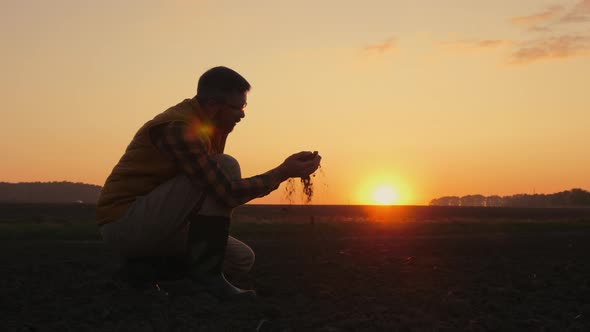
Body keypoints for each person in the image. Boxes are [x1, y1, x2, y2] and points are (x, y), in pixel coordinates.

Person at [97, 66, 321, 299]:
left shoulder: (211, 130)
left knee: (241, 259)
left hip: (160, 221)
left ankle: (140, 273)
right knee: (225, 166)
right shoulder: (179, 128)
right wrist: (282, 172)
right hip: (126, 222)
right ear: (214, 105)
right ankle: (208, 279)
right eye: (238, 107)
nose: (242, 114)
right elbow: (226, 193)